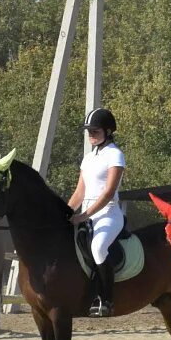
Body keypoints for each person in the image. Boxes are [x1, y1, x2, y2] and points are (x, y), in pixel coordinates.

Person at [67, 108, 125, 318]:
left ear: (108, 131)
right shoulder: (88, 159)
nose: (90, 134)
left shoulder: (115, 155)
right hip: (87, 213)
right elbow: (79, 192)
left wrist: (83, 215)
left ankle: (106, 299)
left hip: (108, 214)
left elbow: (109, 193)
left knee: (98, 247)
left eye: (95, 130)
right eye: (88, 130)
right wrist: (65, 213)